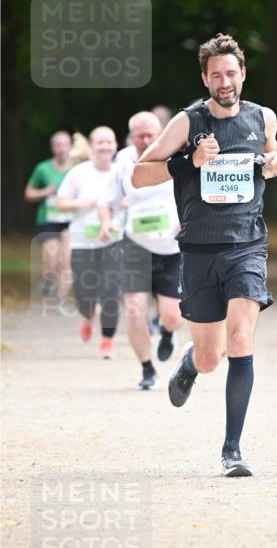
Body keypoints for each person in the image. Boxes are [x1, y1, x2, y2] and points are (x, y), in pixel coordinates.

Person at [131, 33, 277, 477]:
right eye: (216, 74)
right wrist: (188, 161)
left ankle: (232, 449)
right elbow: (141, 174)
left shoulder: (262, 117)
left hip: (247, 245)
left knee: (241, 340)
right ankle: (190, 364)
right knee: (212, 356)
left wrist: (274, 164)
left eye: (231, 72)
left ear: (242, 74)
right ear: (205, 78)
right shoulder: (187, 122)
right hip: (198, 250)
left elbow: (273, 158)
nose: (225, 81)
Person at [99, 112, 184, 391]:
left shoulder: (176, 157)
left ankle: (168, 333)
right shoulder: (122, 165)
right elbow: (106, 202)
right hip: (135, 246)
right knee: (135, 310)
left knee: (173, 316)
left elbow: (195, 194)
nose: (146, 140)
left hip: (172, 248)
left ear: (160, 133)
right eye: (140, 135)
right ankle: (147, 369)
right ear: (131, 136)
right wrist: (107, 222)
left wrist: (188, 221)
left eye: (151, 135)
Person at [54, 126, 122, 359]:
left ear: (116, 146)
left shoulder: (122, 172)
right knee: (84, 292)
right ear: (92, 146)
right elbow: (59, 202)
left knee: (111, 291)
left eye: (109, 142)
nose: (105, 146)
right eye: (100, 142)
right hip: (82, 241)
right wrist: (81, 203)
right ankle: (87, 314)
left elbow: (135, 200)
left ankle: (107, 340)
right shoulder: (79, 173)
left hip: (114, 241)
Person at [24, 131, 73, 305]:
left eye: (65, 144)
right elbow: (28, 193)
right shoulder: (42, 168)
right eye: (58, 145)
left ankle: (60, 299)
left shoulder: (78, 168)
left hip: (70, 220)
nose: (62, 149)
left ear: (70, 147)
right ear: (53, 148)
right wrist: (45, 191)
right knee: (52, 259)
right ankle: (49, 278)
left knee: (66, 260)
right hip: (49, 219)